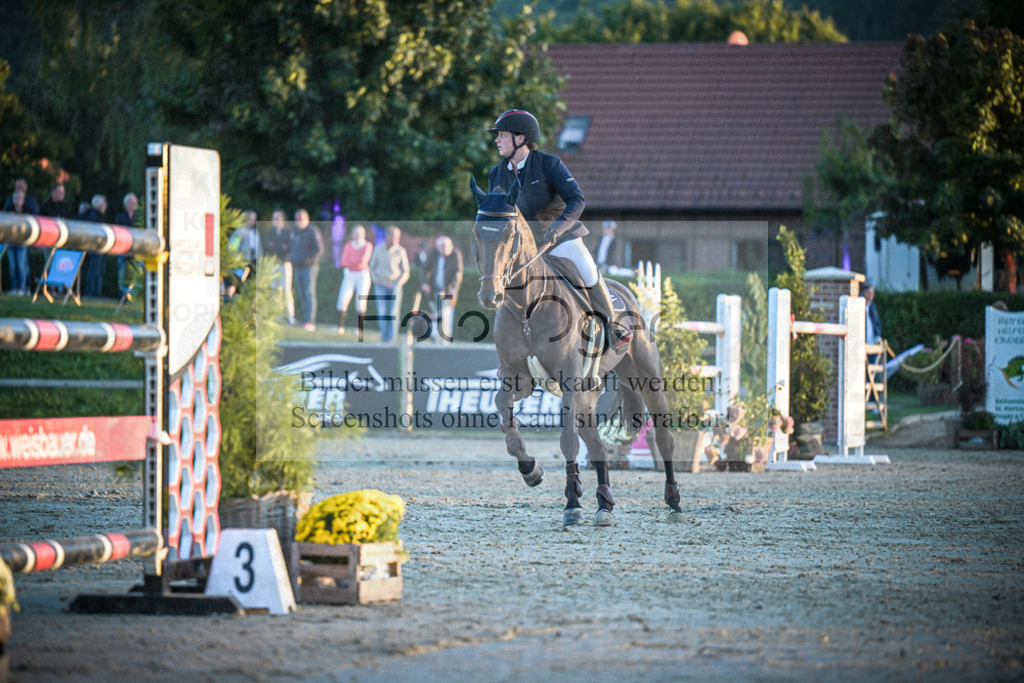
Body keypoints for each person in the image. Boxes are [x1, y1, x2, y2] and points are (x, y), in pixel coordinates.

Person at [486, 109, 631, 351]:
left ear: (520, 138)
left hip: (561, 239)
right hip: (523, 247)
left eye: (502, 134)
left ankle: (612, 327)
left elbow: (577, 200)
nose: (496, 140)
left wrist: (556, 229)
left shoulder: (548, 164)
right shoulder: (496, 173)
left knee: (587, 271)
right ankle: (510, 351)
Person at [369, 225, 410, 343]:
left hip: (394, 285)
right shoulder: (378, 249)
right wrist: (376, 280)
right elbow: (372, 267)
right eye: (393, 236)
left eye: (397, 236)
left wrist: (398, 283)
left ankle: (391, 339)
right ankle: (384, 336)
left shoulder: (401, 251)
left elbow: (405, 271)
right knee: (382, 312)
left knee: (393, 312)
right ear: (387, 236)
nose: (395, 239)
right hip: (380, 284)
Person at [421, 235, 463, 342]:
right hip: (434, 290)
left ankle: (444, 342)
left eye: (445, 246)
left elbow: (458, 273)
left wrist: (454, 287)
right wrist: (425, 283)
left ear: (451, 246)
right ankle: (435, 338)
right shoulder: (433, 253)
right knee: (436, 314)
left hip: (448, 291)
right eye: (441, 246)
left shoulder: (455, 255)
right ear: (437, 247)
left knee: (445, 316)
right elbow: (424, 269)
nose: (443, 249)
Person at [335, 224, 373, 335]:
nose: (357, 235)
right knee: (343, 299)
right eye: (355, 233)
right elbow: (343, 261)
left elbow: (363, 261)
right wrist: (354, 262)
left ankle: (359, 329)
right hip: (349, 274)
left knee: (361, 302)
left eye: (360, 233)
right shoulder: (348, 246)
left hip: (362, 275)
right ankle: (339, 327)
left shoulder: (367, 245)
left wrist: (352, 261)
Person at [289, 209, 324, 331]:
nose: (299, 221)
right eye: (297, 219)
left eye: (301, 218)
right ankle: (304, 319)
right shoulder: (295, 232)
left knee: (309, 293)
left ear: (307, 219)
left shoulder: (312, 231)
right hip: (297, 267)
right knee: (302, 293)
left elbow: (319, 249)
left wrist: (307, 260)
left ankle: (310, 321)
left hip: (309, 268)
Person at [264, 209, 295, 324]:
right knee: (275, 290)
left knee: (286, 290)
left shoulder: (288, 233)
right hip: (274, 264)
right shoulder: (270, 233)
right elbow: (269, 247)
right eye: (274, 218)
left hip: (285, 264)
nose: (276, 221)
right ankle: (276, 315)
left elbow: (288, 248)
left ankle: (290, 316)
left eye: (278, 218)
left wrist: (279, 246)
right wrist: (280, 246)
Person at [3, 186, 33, 295]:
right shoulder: (9, 209)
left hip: (21, 242)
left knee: (21, 266)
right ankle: (14, 288)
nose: (17, 200)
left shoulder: (26, 211)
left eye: (19, 198)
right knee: (13, 266)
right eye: (15, 198)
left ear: (23, 200)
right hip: (11, 242)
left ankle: (22, 288)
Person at [115, 193, 139, 287]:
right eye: (132, 202)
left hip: (135, 250)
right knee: (123, 273)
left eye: (135, 202)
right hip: (123, 250)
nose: (134, 205)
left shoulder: (138, 219)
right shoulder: (120, 218)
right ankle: (123, 295)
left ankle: (133, 295)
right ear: (127, 204)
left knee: (135, 273)